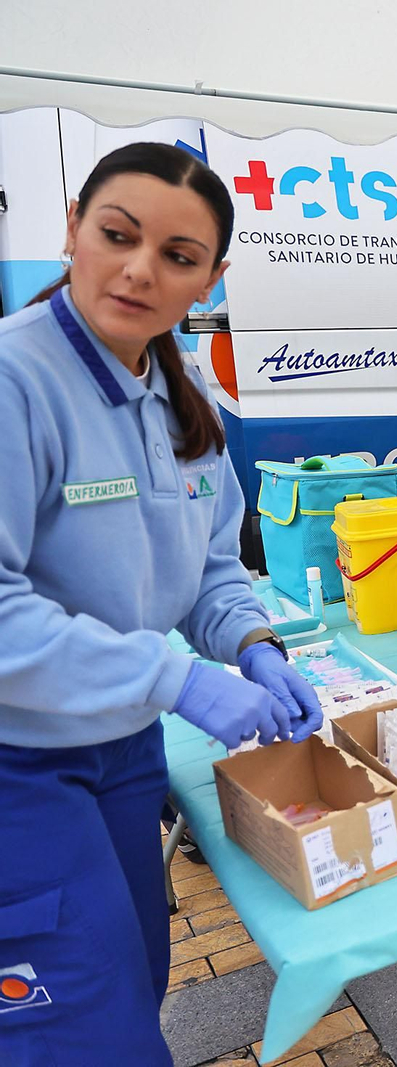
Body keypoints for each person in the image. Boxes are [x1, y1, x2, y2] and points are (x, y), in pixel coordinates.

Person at [0, 143, 324, 1066]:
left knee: (137, 984)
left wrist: (255, 645)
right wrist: (178, 676)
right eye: (117, 235)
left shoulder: (184, 401)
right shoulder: (16, 382)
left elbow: (211, 569)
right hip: (20, 769)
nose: (141, 269)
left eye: (179, 256)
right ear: (72, 229)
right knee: (81, 1035)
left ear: (210, 280)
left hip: (125, 754)